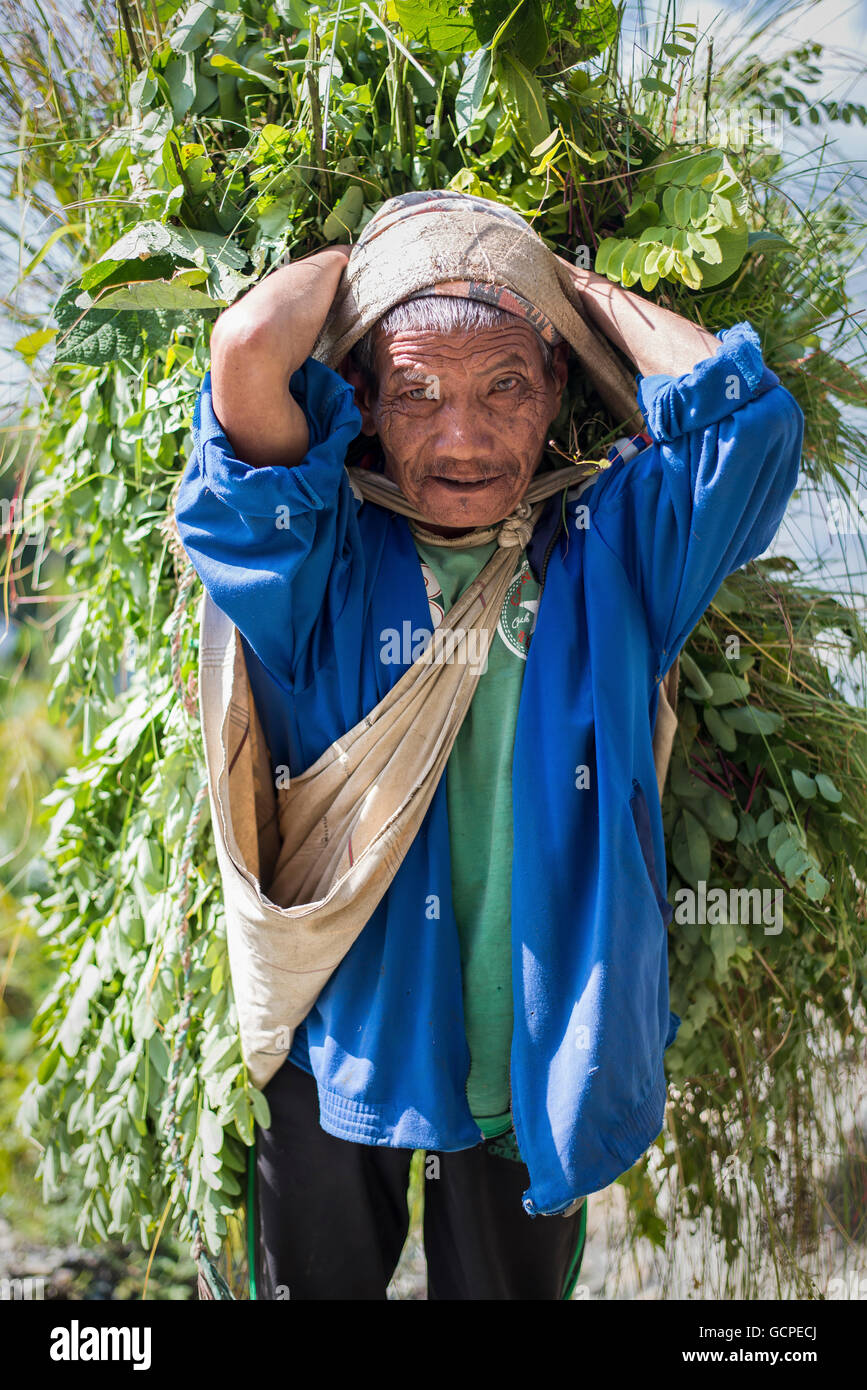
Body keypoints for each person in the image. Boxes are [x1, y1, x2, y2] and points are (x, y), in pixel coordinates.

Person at [175, 190, 804, 1300]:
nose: (462, 439)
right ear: (360, 401)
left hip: (541, 1061)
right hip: (346, 1037)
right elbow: (244, 355)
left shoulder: (612, 558)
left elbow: (749, 423)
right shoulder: (317, 567)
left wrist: (559, 279)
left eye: (507, 385)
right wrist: (389, 248)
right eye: (415, 395)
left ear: (558, 382)